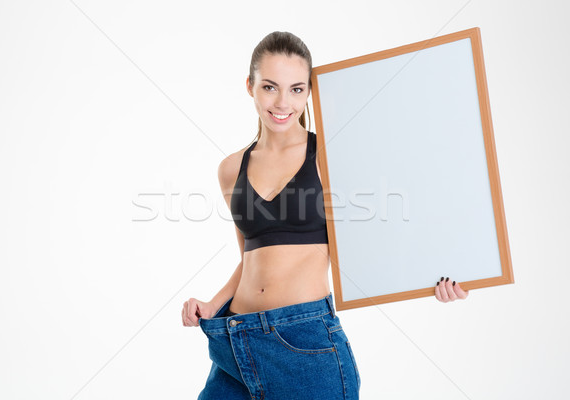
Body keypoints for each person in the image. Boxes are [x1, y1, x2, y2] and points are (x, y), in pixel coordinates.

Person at [182, 31, 469, 400]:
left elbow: (394, 226)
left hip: (304, 345)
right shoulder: (230, 168)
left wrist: (438, 276)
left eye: (297, 89)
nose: (283, 102)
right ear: (250, 86)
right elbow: (250, 258)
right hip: (235, 343)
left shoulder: (331, 156)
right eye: (270, 87)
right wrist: (211, 303)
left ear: (309, 91)